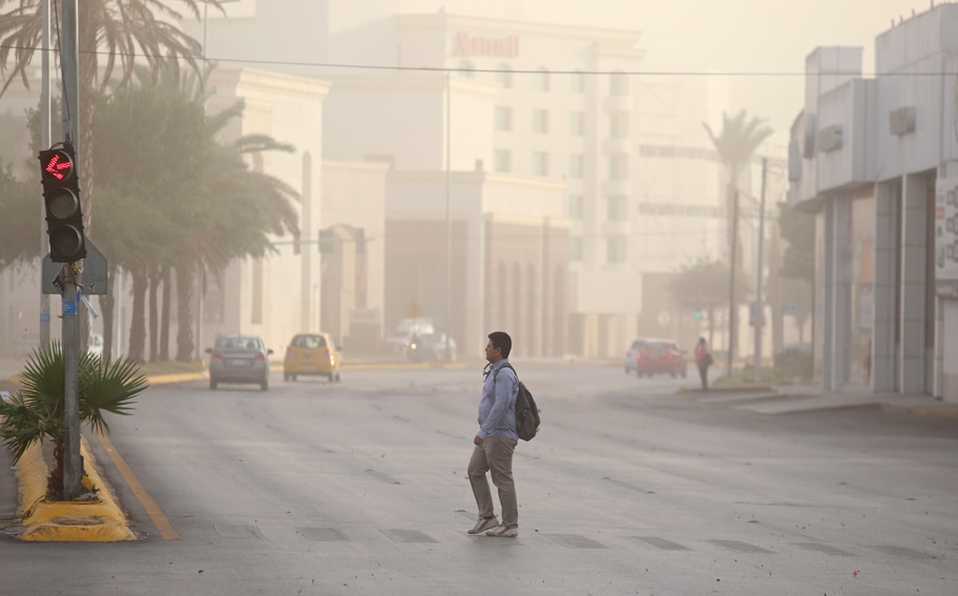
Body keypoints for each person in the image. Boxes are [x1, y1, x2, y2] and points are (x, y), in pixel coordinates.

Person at [466, 331, 519, 538]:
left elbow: (501, 405)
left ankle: (510, 524)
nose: (486, 349)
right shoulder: (495, 371)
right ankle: (487, 517)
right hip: (490, 434)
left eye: (489, 346)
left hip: (499, 435)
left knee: (502, 479)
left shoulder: (505, 374)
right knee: (474, 471)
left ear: (499, 350)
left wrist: (483, 430)